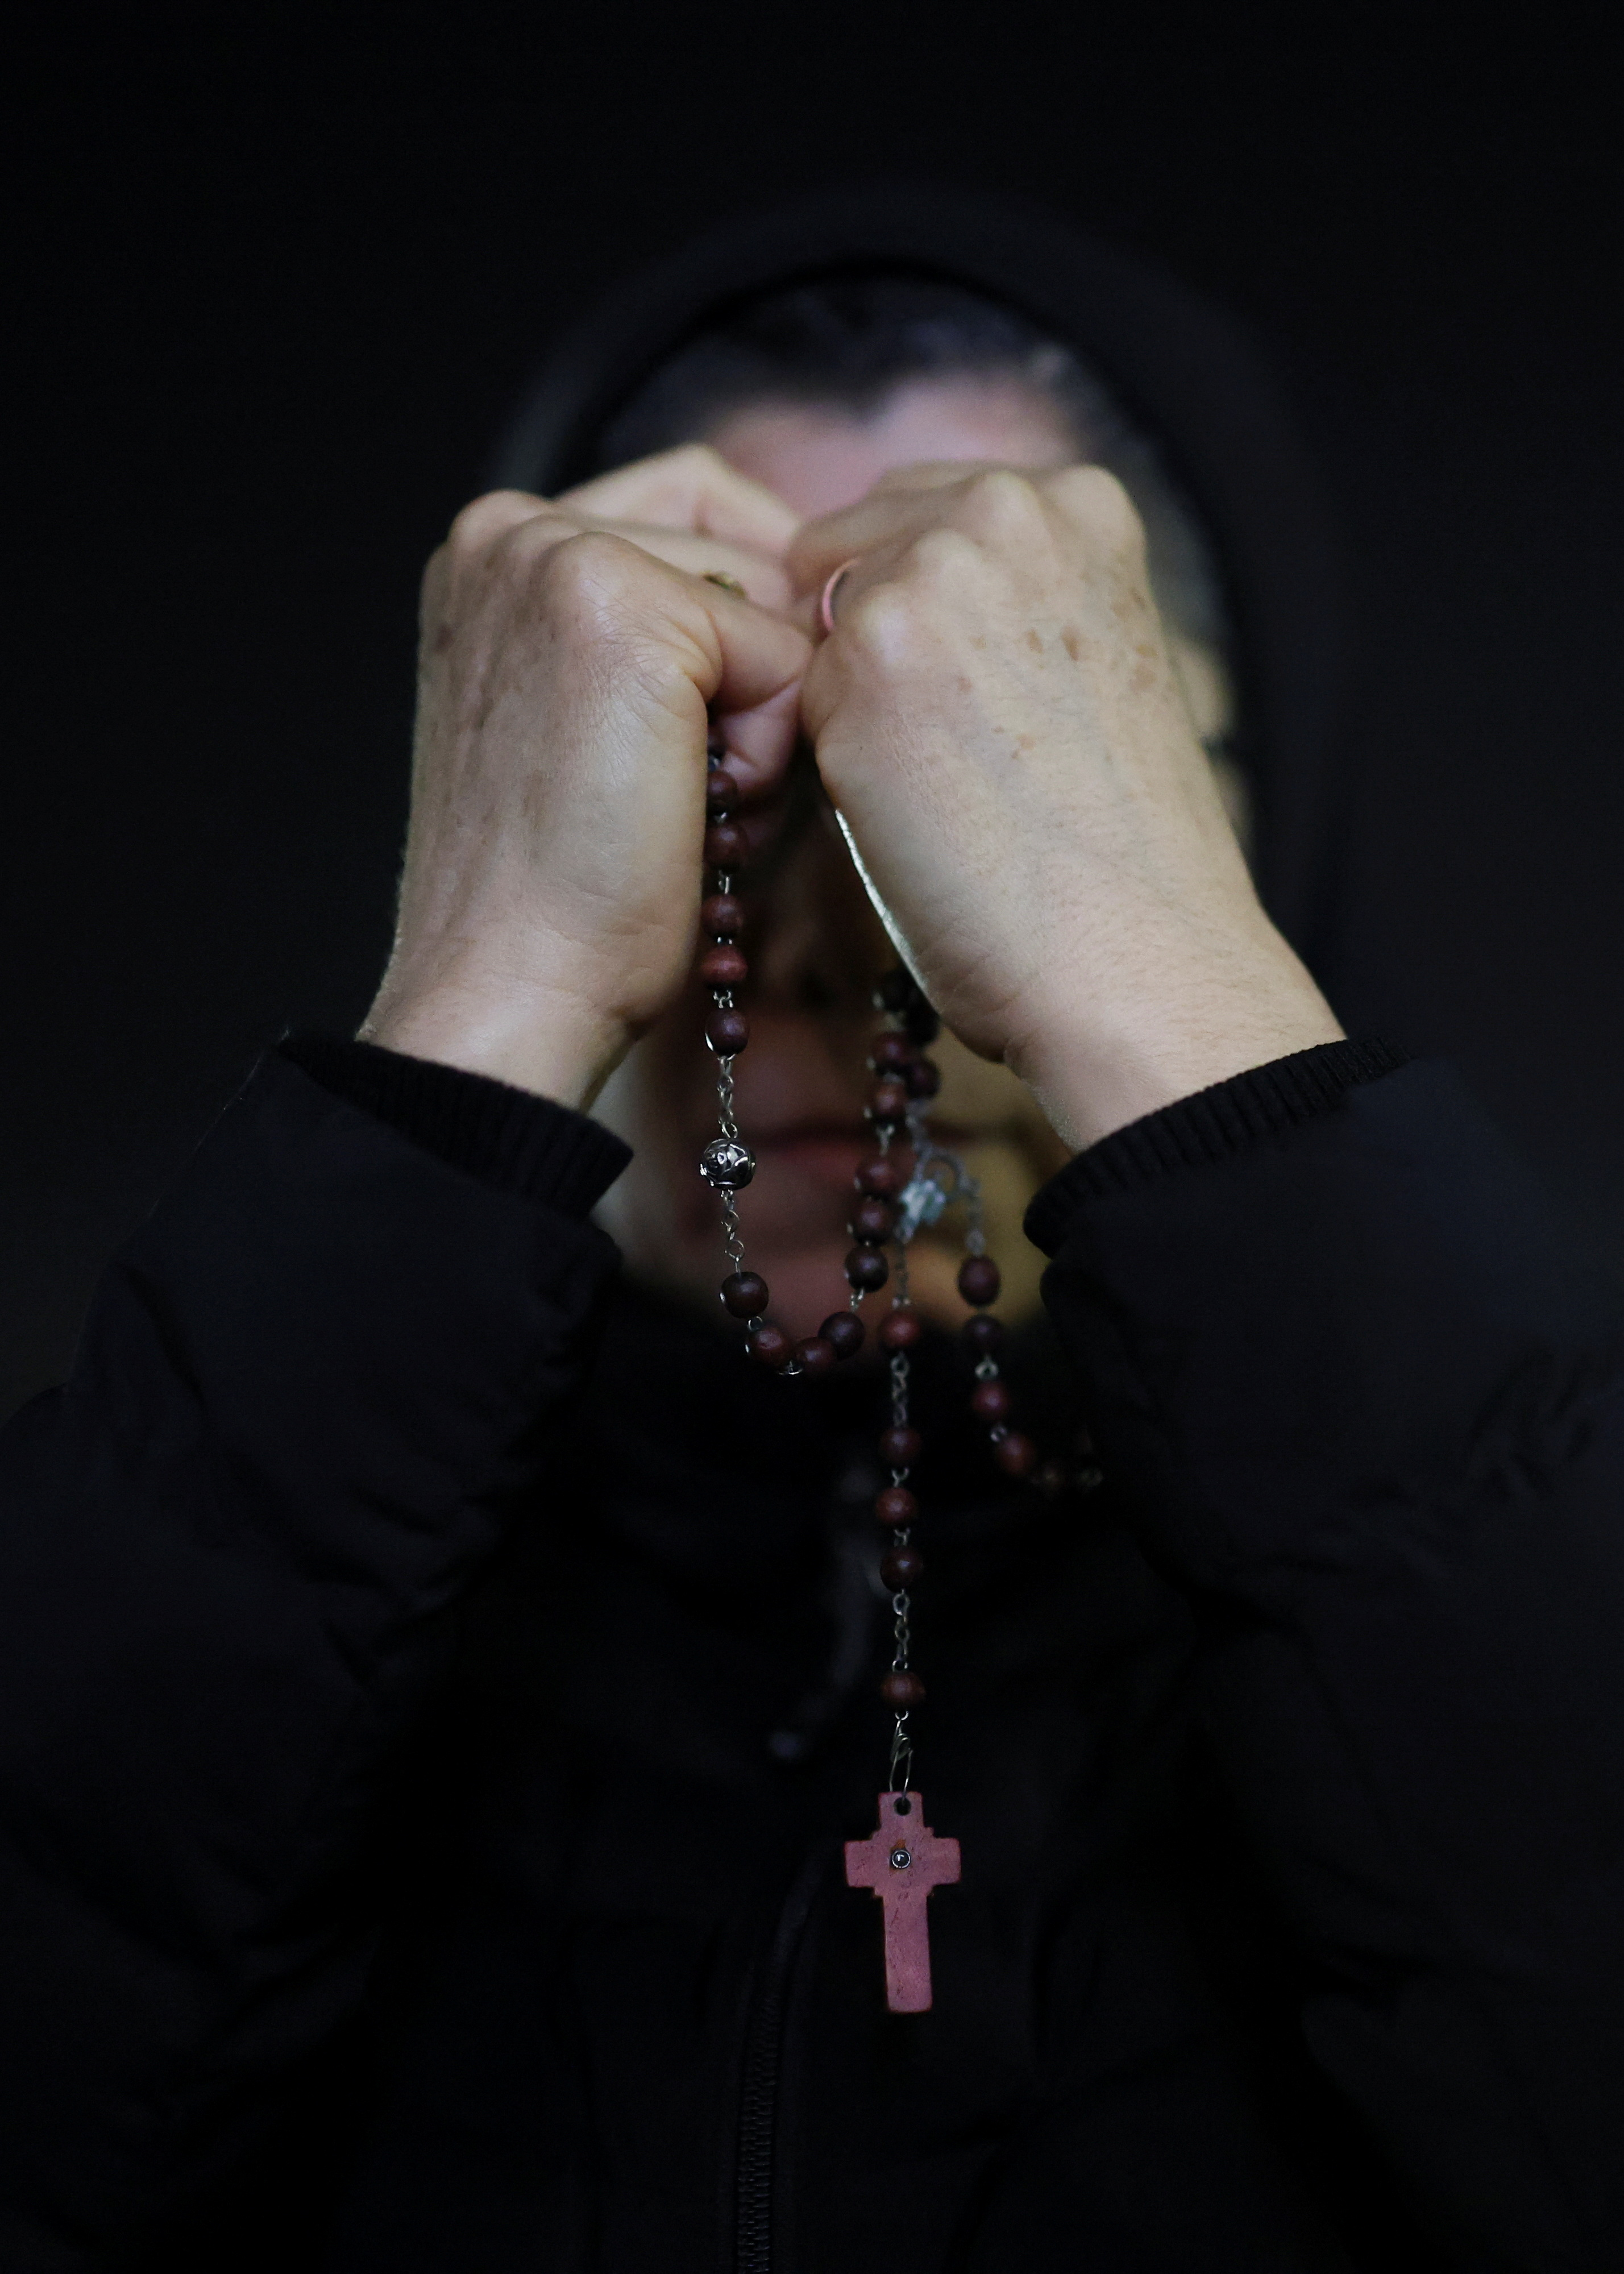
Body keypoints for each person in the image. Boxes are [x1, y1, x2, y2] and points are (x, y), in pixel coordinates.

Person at [2, 200, 1622, 2274]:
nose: (846, 962)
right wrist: (481, 1015)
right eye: (712, 781)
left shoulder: (1534, 1516)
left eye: (1020, 759)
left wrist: (1157, 1009)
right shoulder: (297, 1547)